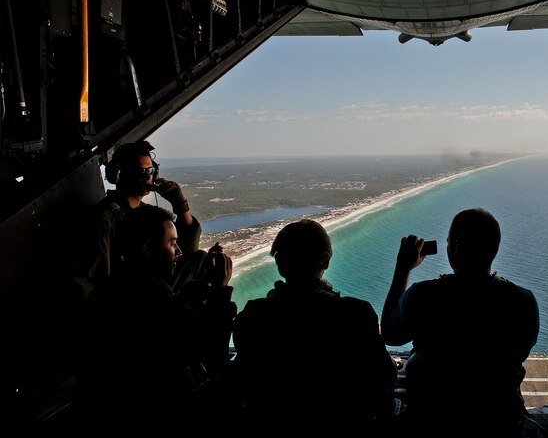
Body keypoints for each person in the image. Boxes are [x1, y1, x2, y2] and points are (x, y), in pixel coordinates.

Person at [75, 205, 236, 429]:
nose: (178, 251)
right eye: (172, 242)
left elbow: (171, 304)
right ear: (147, 247)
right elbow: (213, 353)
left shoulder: (114, 289)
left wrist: (204, 285)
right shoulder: (154, 303)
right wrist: (220, 292)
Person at [381, 208, 539, 435]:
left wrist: (402, 269)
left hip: (433, 415)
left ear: (455, 246)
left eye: (448, 242)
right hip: (498, 416)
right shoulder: (523, 301)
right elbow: (519, 352)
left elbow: (389, 333)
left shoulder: (423, 295)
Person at [231, 219, 398, 435]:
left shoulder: (253, 315)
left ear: (279, 261)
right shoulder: (355, 314)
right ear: (326, 261)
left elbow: (244, 377)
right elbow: (384, 376)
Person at [71, 140, 204, 299]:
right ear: (119, 174)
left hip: (151, 289)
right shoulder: (104, 219)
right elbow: (88, 282)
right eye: (141, 171)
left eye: (151, 170)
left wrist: (180, 205)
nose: (148, 176)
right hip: (131, 298)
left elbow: (187, 247)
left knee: (199, 258)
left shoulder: (147, 212)